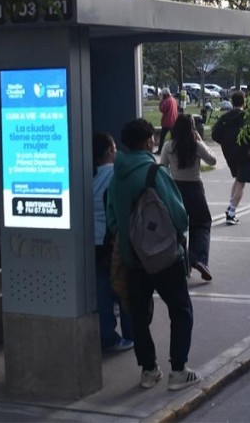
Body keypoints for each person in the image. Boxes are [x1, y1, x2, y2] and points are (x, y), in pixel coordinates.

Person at [106, 118, 200, 391]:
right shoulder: (155, 173)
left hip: (132, 258)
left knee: (138, 315)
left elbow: (113, 219)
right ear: (149, 141)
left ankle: (149, 370)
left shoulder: (117, 176)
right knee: (180, 310)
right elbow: (180, 216)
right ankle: (179, 370)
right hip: (164, 258)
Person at [159, 114, 217, 282]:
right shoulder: (196, 145)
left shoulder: (169, 146)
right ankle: (199, 258)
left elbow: (162, 168)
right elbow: (212, 161)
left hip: (175, 188)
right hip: (195, 188)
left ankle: (182, 266)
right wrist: (202, 141)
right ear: (191, 128)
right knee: (202, 223)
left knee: (178, 226)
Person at [92, 132, 134, 352]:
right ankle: (131, 334)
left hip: (94, 243)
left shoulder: (88, 177)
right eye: (114, 148)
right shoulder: (116, 176)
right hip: (113, 241)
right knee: (124, 287)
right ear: (109, 152)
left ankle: (108, 336)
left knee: (102, 292)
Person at [211, 90, 250, 225]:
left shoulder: (225, 117)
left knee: (237, 179)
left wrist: (225, 142)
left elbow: (215, 134)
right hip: (243, 153)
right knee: (241, 182)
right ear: (244, 101)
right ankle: (232, 212)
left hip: (229, 153)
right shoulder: (246, 117)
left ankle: (230, 205)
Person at [155, 89, 177, 155]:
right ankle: (175, 150)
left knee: (162, 137)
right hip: (174, 121)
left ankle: (160, 150)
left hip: (167, 122)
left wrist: (161, 102)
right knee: (174, 137)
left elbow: (162, 109)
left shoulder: (167, 101)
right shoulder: (173, 100)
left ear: (165, 95)